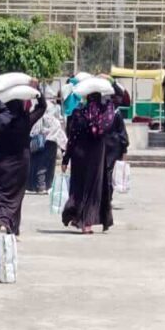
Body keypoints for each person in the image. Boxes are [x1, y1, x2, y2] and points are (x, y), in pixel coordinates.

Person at [0, 81, 46, 236]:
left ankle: (3, 220)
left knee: (1, 192)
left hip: (2, 162)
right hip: (21, 163)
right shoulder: (26, 120)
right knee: (16, 195)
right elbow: (42, 107)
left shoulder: (1, 120)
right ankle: (12, 228)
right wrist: (37, 90)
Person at [62, 90, 115, 234]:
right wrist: (109, 101)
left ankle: (77, 216)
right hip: (96, 156)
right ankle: (86, 223)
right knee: (92, 189)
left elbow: (72, 138)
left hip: (79, 154)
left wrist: (66, 158)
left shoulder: (79, 113)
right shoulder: (104, 115)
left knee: (78, 186)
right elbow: (108, 120)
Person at [28, 97, 66, 194]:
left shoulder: (38, 111)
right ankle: (44, 186)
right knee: (47, 165)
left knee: (40, 164)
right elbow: (60, 130)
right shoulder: (54, 114)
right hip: (51, 141)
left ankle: (41, 186)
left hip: (42, 141)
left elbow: (34, 129)